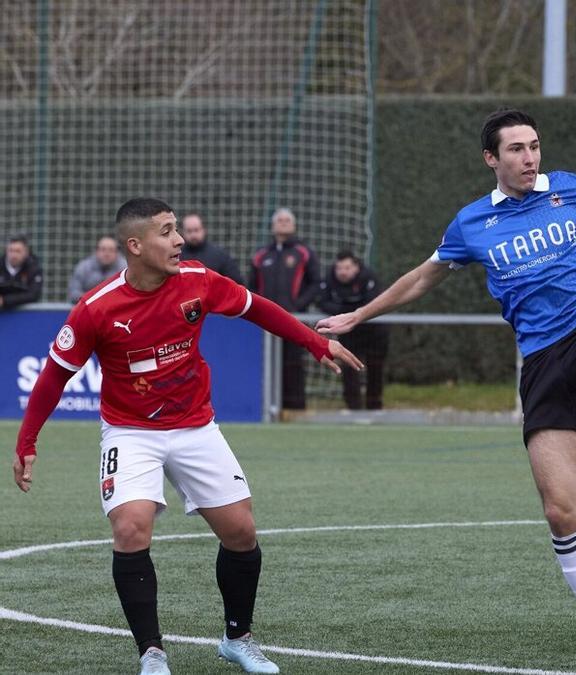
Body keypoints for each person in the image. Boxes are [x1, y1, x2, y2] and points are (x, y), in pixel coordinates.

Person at [317, 108, 576, 674]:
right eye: (515, 149)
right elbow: (422, 276)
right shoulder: (471, 224)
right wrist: (357, 316)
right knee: (561, 512)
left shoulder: (568, 190)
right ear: (492, 158)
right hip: (544, 365)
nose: (529, 157)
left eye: (534, 146)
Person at [11, 198, 362, 675]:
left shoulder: (199, 281)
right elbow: (54, 375)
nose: (178, 240)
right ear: (135, 246)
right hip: (131, 432)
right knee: (131, 527)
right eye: (166, 231)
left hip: (196, 426)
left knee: (241, 532)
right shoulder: (96, 309)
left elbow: (256, 308)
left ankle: (238, 638)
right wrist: (26, 442)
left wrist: (315, 342)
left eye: (177, 229)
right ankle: (152, 654)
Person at [248, 208, 322, 410]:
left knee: (293, 364)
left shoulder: (304, 253)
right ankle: (267, 408)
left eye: (287, 220)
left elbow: (316, 283)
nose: (283, 223)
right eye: (279, 220)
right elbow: (251, 287)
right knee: (266, 365)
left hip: (294, 321)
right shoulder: (261, 256)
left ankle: (295, 409)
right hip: (266, 324)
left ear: (294, 224)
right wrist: (258, 312)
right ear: (272, 226)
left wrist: (298, 307)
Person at [316, 250, 388, 410]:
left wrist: (349, 311)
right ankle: (353, 406)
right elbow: (322, 302)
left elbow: (373, 304)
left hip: (374, 330)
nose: (343, 272)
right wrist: (348, 310)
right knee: (349, 367)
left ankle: (374, 406)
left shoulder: (368, 278)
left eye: (347, 268)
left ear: (356, 267)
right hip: (349, 332)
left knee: (375, 367)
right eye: (339, 268)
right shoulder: (329, 279)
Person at [180, 212, 245, 286]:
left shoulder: (220, 255)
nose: (193, 235)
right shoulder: (177, 255)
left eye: (196, 230)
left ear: (204, 230)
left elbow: (236, 283)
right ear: (183, 232)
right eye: (189, 231)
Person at [69, 235, 128, 302]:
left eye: (111, 250)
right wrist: (95, 300)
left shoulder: (125, 268)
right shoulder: (84, 267)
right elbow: (74, 293)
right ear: (96, 251)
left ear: (117, 252)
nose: (107, 254)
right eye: (103, 249)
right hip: (89, 307)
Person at [0, 234, 44, 311]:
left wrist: (4, 300)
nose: (14, 255)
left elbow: (33, 294)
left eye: (18, 251)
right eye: (11, 250)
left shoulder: (34, 268)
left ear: (26, 252)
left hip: (25, 316)